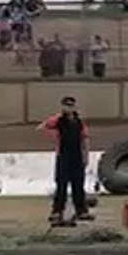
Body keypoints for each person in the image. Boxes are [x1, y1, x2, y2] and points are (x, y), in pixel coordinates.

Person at [38, 96, 93, 224]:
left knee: (78, 185)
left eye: (71, 105)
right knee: (61, 185)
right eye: (66, 105)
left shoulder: (79, 122)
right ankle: (57, 211)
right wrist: (54, 137)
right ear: (63, 106)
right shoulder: (57, 120)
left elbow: (85, 138)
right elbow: (42, 127)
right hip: (63, 156)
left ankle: (81, 211)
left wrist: (86, 155)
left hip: (77, 156)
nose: (69, 108)